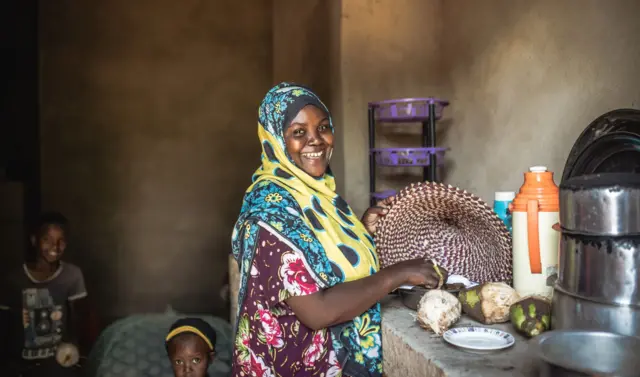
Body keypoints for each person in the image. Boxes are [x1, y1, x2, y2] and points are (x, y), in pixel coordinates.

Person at [231, 83, 447, 377]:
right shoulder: (270, 212)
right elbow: (317, 311)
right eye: (298, 133)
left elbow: (315, 258)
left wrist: (357, 233)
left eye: (322, 128)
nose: (316, 141)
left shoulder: (317, 195)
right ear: (274, 140)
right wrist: (397, 273)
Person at [0, 211, 87, 377]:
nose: (55, 246)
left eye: (61, 241)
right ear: (34, 241)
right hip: (21, 366)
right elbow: (4, 325)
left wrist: (76, 351)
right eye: (47, 240)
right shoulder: (13, 280)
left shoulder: (72, 275)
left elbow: (80, 317)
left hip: (60, 363)